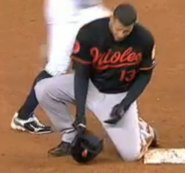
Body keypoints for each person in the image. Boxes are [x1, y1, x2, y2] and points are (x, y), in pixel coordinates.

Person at [34, 3, 159, 161]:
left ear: (133, 26)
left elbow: (145, 75)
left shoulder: (144, 39)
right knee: (43, 89)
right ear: (112, 19)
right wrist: (80, 115)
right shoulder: (90, 33)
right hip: (90, 86)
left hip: (118, 96)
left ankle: (143, 130)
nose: (120, 35)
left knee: (131, 155)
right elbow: (81, 75)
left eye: (126, 31)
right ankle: (70, 136)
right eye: (118, 29)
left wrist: (124, 105)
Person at [11, 0, 111, 134]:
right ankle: (24, 116)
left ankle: (115, 107)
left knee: (114, 28)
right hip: (66, 12)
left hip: (80, 9)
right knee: (57, 67)